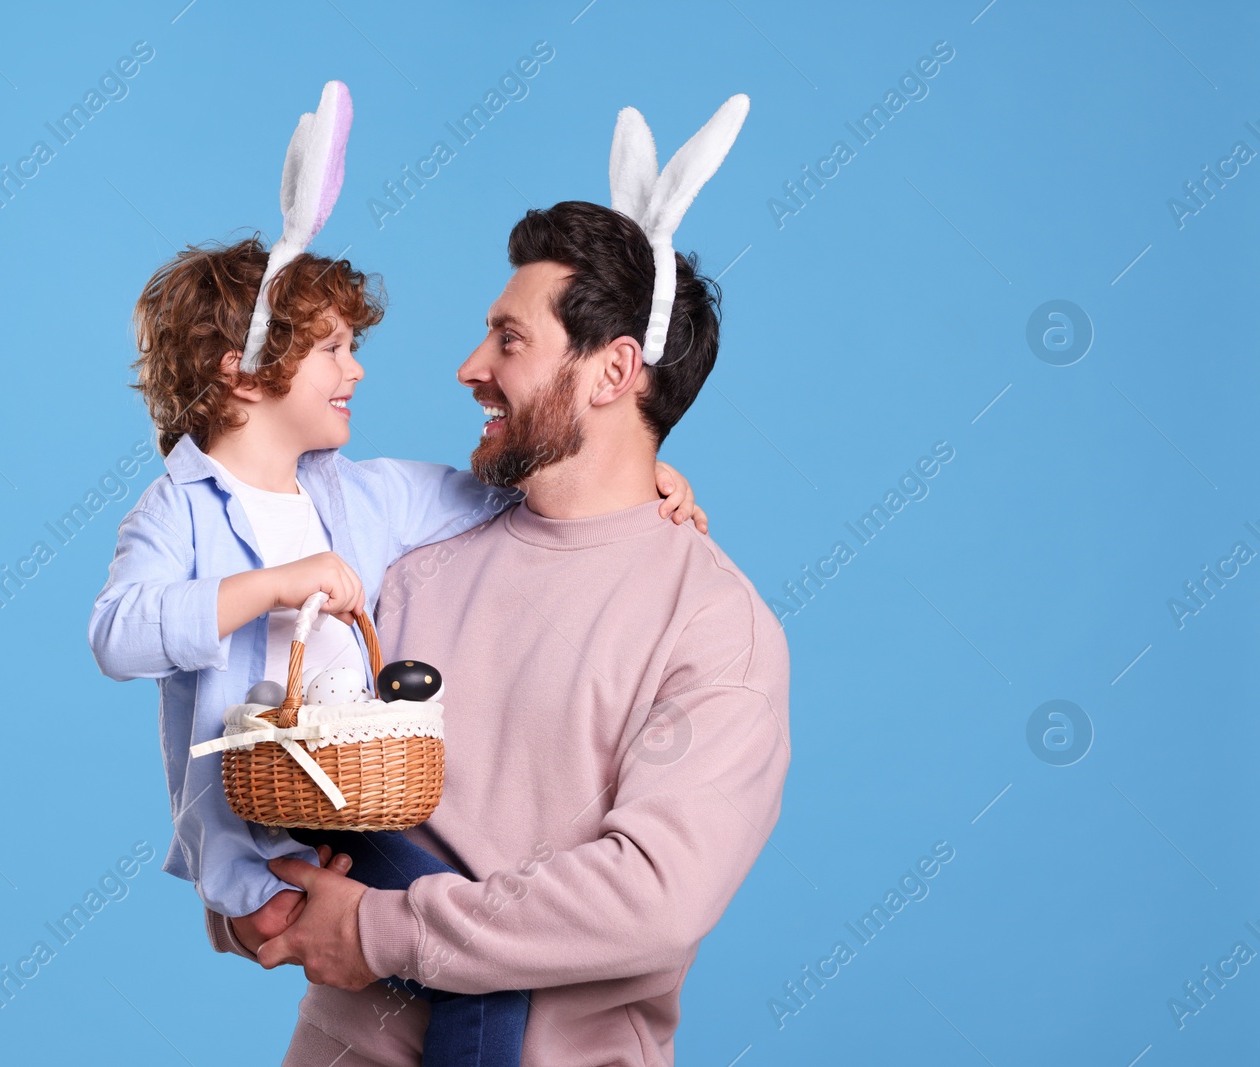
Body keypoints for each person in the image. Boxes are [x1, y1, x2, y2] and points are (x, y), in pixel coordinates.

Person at [87, 235, 708, 1066]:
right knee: (478, 966)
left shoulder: (359, 494)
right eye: (335, 349)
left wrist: (646, 477)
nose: (358, 369)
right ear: (244, 373)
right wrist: (274, 585)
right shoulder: (177, 509)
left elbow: (500, 487)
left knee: (466, 959)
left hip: (344, 799)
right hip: (276, 801)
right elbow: (118, 634)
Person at [207, 201, 792, 1066]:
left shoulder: (713, 625)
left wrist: (378, 930)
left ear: (613, 370)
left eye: (509, 340)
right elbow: (292, 764)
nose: (470, 367)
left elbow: (652, 896)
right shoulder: (411, 560)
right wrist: (244, 898)